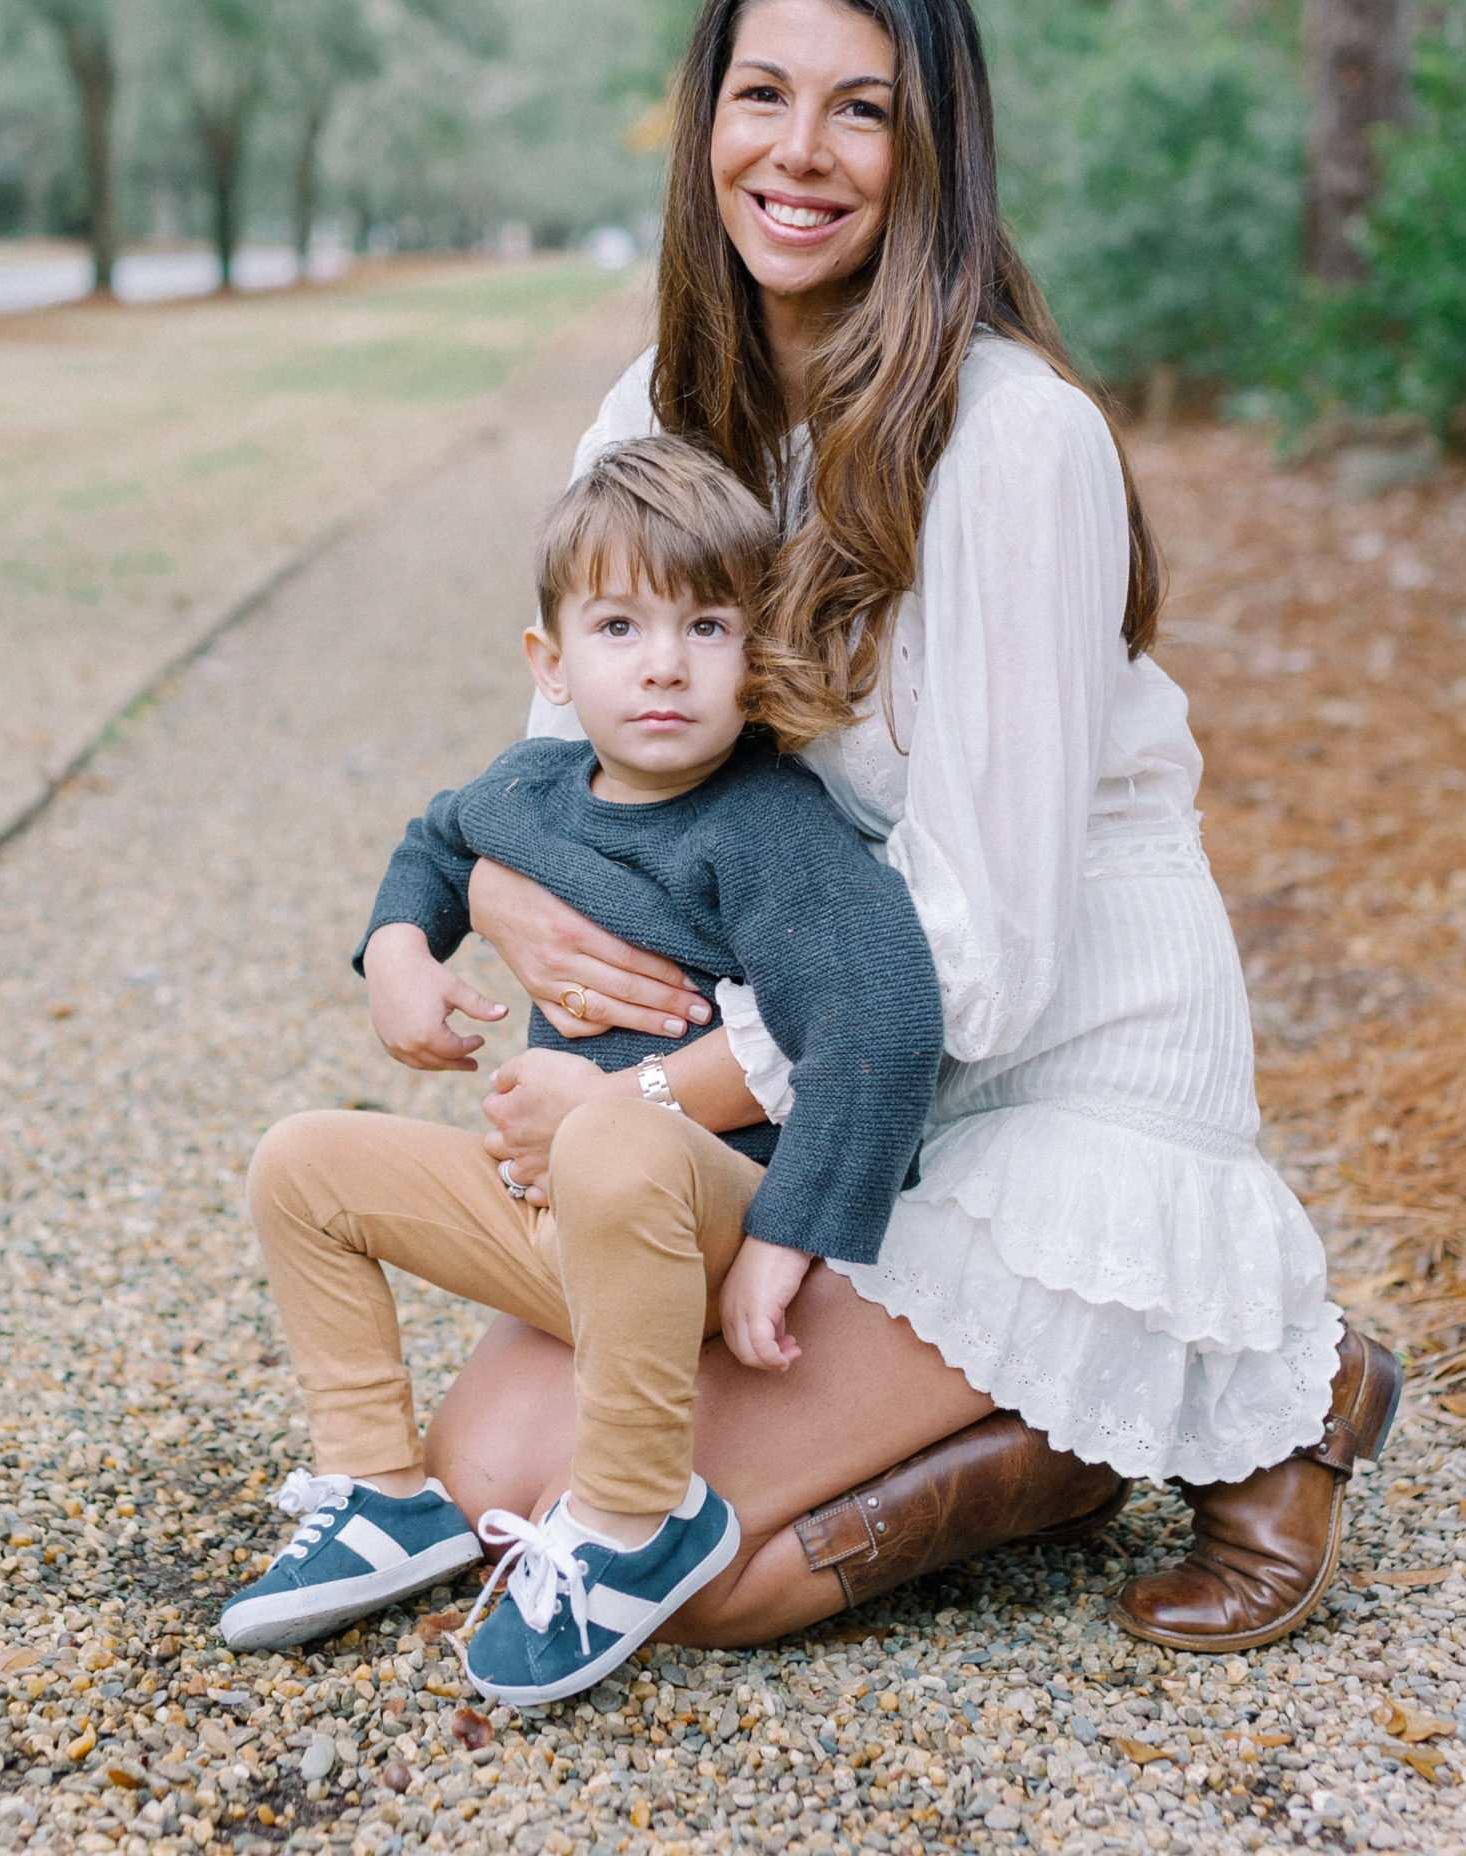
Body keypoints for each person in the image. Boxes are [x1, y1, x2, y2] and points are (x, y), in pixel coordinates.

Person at [423, 0, 1401, 1655]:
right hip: (827, 1092)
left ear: (934, 150)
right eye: (762, 96)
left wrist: (655, 1106)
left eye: (863, 111)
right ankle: (1070, 1388)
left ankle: (1191, 1387)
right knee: (493, 1474)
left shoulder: (1018, 442)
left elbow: (993, 958)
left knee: (688, 1572)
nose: (799, 155)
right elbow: (570, 750)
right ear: (703, 118)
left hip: (1050, 1075)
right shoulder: (659, 404)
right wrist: (493, 886)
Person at [223, 436, 944, 1701]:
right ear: (551, 664)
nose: (663, 662)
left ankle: (633, 1516)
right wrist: (400, 948)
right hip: (554, 1222)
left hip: (700, 1229)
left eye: (707, 625)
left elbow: (884, 1014)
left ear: (757, 650)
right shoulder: (533, 788)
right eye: (618, 625)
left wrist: (788, 1232)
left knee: (609, 1133)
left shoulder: (768, 824)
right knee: (303, 1165)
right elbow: (437, 842)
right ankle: (387, 1496)